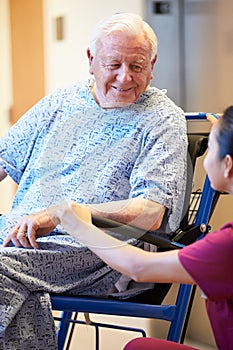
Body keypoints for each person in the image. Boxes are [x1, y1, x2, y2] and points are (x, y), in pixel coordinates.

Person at [0, 13, 187, 349]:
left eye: (137, 65)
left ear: (152, 64)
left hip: (99, 248)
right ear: (91, 60)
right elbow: (3, 158)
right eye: (113, 64)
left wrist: (64, 214)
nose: (124, 77)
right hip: (20, 233)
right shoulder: (61, 102)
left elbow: (151, 213)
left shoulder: (162, 118)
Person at [19, 107, 232, 350]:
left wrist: (79, 223)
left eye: (211, 149)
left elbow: (139, 267)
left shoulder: (225, 247)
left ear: (227, 164)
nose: (204, 161)